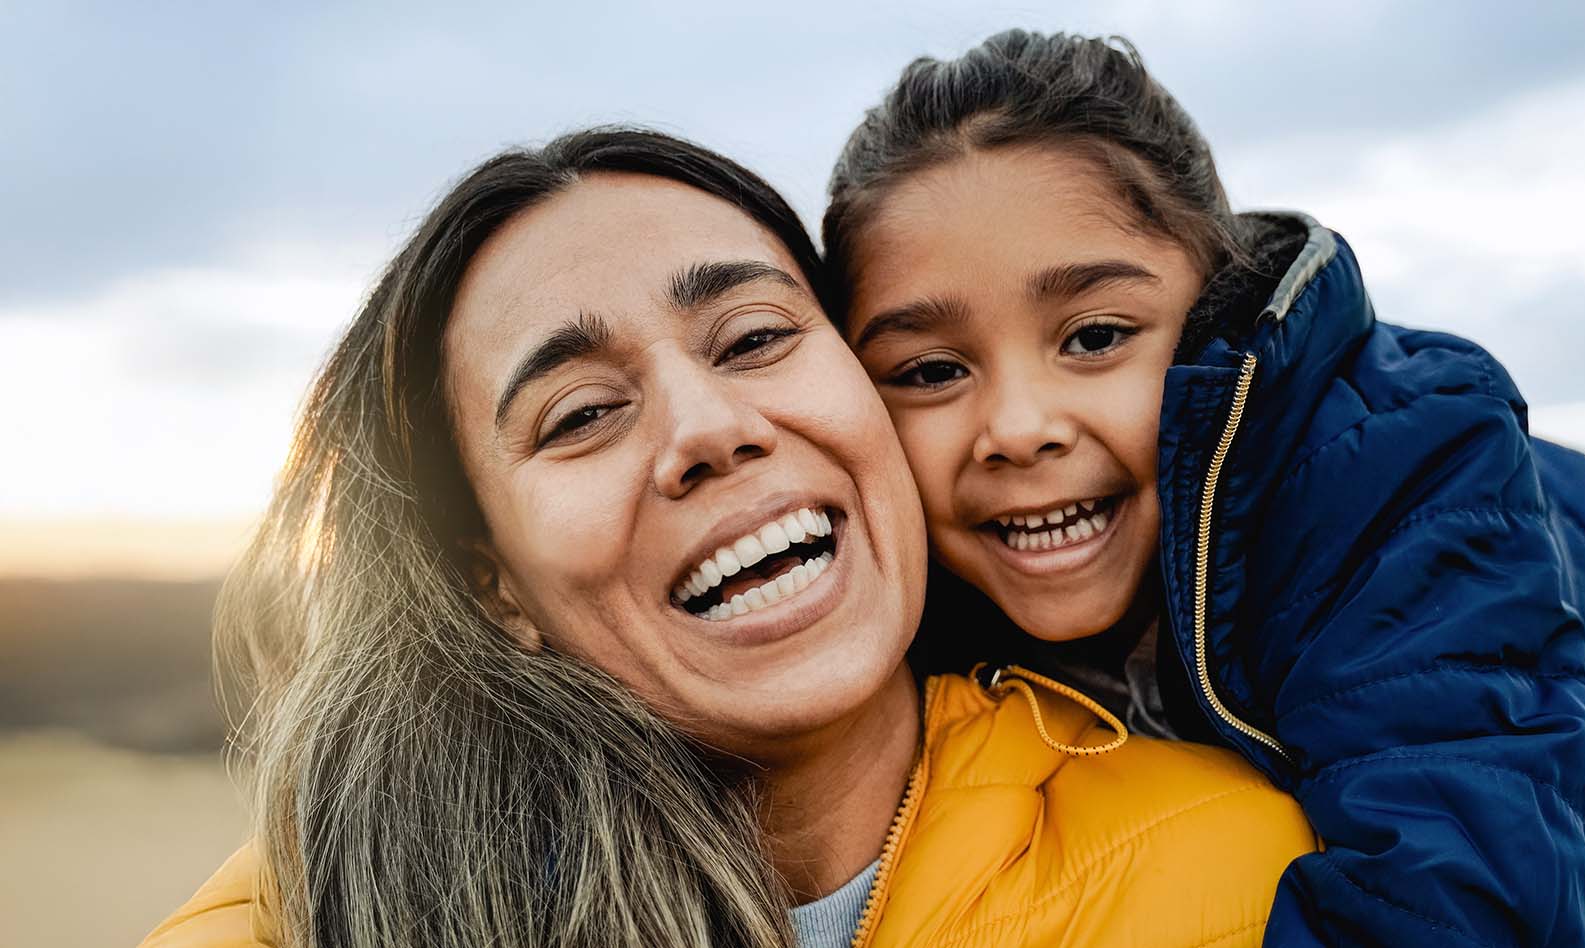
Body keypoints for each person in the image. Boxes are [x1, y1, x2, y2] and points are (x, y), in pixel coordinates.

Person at [824, 29, 1585, 947]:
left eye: (1095, 337)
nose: (1015, 429)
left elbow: (1460, 902)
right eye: (929, 372)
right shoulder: (905, 580)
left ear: (1216, 323)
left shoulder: (1395, 477)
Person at [139, 127, 1315, 948]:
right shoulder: (310, 919)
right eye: (583, 415)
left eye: (753, 338)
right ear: (493, 585)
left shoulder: (1241, 859)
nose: (708, 428)